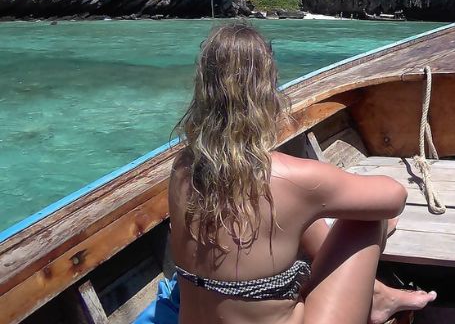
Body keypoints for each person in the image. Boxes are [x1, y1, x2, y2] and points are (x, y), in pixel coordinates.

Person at [168, 23, 436, 324]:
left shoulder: (182, 168)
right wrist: (332, 199)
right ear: (268, 93)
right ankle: (374, 299)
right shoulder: (290, 178)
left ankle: (376, 294)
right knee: (367, 218)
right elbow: (393, 197)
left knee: (296, 211)